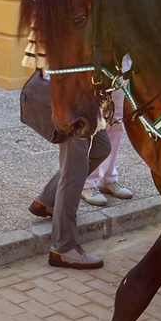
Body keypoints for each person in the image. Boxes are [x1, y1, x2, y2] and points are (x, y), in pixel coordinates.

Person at [22, 35, 108, 269]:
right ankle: (64, 247)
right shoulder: (64, 3)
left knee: (101, 148)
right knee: (75, 166)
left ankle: (47, 201)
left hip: (85, 89)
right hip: (70, 91)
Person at [81, 87, 134, 207]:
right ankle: (87, 183)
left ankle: (108, 177)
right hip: (97, 74)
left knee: (116, 122)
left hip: (120, 72)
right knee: (96, 122)